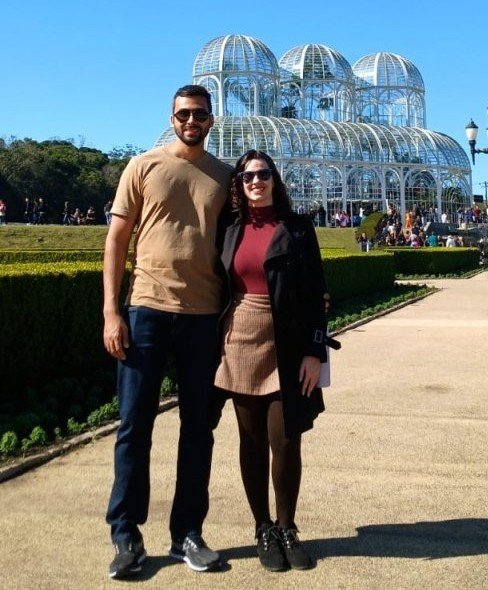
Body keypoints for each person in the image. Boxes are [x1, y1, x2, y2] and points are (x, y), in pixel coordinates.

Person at [102, 84, 232, 579]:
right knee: (134, 425)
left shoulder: (224, 176)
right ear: (171, 117)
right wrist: (111, 312)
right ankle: (126, 535)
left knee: (198, 429)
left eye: (199, 114)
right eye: (183, 114)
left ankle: (187, 534)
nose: (191, 121)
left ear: (211, 119)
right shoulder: (143, 166)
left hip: (203, 315)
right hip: (147, 310)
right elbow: (116, 240)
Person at [213, 149, 333, 572]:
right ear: (238, 184)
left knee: (285, 439)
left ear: (274, 180)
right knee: (251, 441)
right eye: (247, 176)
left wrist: (314, 352)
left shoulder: (297, 227)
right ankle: (263, 528)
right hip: (240, 337)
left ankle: (287, 527)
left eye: (263, 174)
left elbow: (317, 292)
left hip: (288, 339)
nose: (256, 182)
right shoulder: (228, 228)